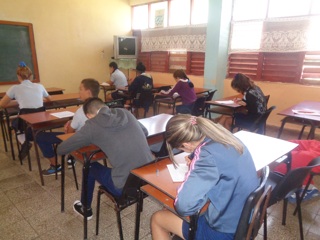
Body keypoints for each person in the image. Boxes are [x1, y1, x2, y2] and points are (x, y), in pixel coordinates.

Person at [151, 114, 259, 240]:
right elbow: (218, 157)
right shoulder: (225, 136)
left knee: (157, 219)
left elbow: (184, 207)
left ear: (186, 145)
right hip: (245, 221)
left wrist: (196, 166)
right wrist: (194, 157)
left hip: (224, 232)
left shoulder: (207, 156)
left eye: (182, 149)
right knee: (168, 208)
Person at [57, 97, 154, 219]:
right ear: (105, 107)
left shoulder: (92, 125)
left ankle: (85, 208)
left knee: (90, 165)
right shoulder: (125, 112)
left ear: (88, 115)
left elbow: (61, 149)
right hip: (148, 179)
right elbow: (144, 132)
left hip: (125, 187)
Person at [36, 78, 100, 176]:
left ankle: (55, 166)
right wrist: (72, 122)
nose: (79, 92)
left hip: (82, 143)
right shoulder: (104, 107)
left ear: (88, 92)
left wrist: (68, 127)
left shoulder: (81, 111)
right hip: (97, 143)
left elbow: (69, 133)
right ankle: (71, 157)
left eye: (81, 89)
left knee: (40, 137)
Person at [0, 61, 51, 160]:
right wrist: (40, 98)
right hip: (41, 119)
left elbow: (2, 104)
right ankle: (33, 135)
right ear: (31, 76)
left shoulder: (15, 88)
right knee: (26, 125)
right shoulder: (39, 86)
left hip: (25, 121)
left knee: (15, 125)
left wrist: (17, 101)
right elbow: (50, 99)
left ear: (18, 76)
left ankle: (25, 142)